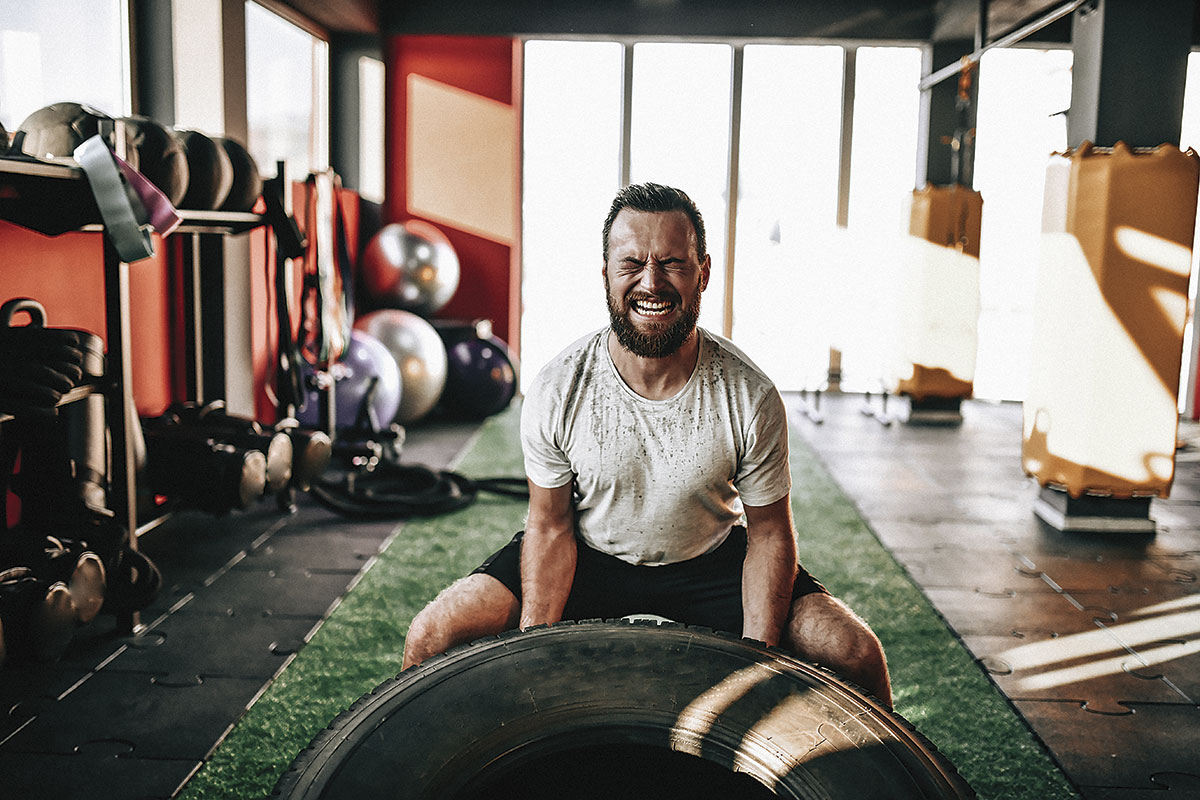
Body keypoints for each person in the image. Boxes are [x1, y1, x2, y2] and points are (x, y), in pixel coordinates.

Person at [402, 182, 892, 706]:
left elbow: (770, 534)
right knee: (431, 636)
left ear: (703, 271)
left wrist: (756, 660)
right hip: (588, 555)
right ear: (607, 275)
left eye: (673, 264)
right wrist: (533, 653)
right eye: (632, 263)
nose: (651, 282)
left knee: (856, 654)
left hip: (711, 561)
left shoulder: (749, 394)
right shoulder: (559, 387)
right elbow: (550, 525)